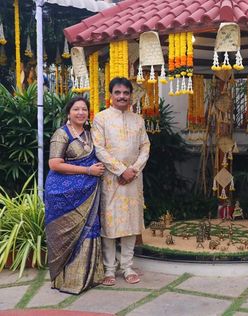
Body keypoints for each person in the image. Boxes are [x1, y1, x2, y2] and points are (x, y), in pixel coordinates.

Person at [91, 77, 150, 286]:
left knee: (131, 223)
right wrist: (120, 170)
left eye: (126, 93)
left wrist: (133, 170)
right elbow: (99, 148)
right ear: (111, 95)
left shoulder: (138, 120)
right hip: (111, 179)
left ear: (130, 95)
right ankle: (109, 269)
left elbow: (145, 147)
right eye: (118, 92)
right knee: (110, 224)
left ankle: (127, 267)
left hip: (133, 179)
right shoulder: (101, 118)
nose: (122, 96)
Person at [44, 96, 105, 294]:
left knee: (89, 230)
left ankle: (87, 277)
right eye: (76, 109)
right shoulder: (61, 134)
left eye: (84, 109)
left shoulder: (90, 134)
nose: (80, 113)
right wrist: (88, 171)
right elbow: (54, 164)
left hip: (87, 193)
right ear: (68, 113)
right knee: (65, 235)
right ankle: (66, 281)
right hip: (62, 194)